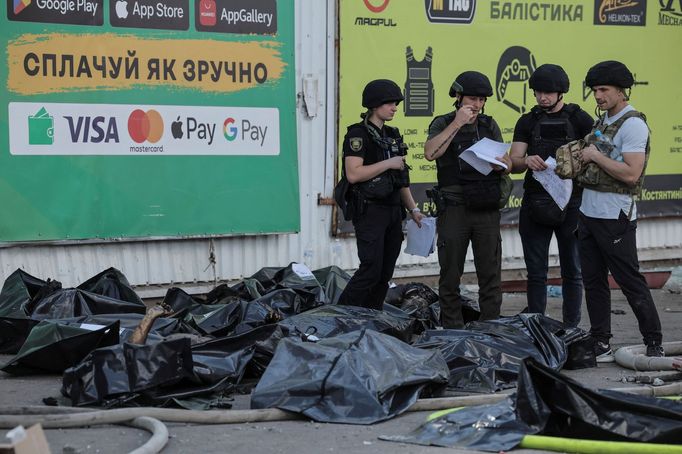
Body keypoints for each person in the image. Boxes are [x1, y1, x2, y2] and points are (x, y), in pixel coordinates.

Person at [579, 60, 663, 362]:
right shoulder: (601, 122)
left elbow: (631, 173)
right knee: (593, 282)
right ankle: (600, 341)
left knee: (629, 281)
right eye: (594, 90)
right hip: (588, 213)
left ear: (621, 91)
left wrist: (593, 156)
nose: (598, 95)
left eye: (604, 90)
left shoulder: (633, 124)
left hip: (615, 216)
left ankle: (654, 341)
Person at [424, 71, 512, 328]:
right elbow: (431, 153)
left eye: (482, 100)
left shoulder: (488, 125)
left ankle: (490, 329)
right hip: (454, 208)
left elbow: (506, 162)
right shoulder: (443, 123)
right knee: (450, 275)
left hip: (485, 206)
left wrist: (502, 166)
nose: (477, 104)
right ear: (458, 97)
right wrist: (457, 124)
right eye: (472, 98)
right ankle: (452, 332)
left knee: (490, 274)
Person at [509, 64, 594, 327]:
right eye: (538, 92)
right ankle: (537, 327)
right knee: (536, 273)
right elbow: (513, 161)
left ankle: (572, 328)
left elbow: (597, 157)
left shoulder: (580, 119)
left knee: (573, 272)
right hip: (536, 202)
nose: (542, 97)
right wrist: (527, 161)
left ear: (561, 93)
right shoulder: (527, 121)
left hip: (572, 204)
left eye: (548, 92)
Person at [337, 79, 424, 310]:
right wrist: (388, 163)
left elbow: (400, 180)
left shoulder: (392, 134)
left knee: (385, 273)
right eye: (389, 103)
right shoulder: (358, 135)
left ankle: (372, 317)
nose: (395, 107)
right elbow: (353, 174)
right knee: (370, 269)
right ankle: (341, 315)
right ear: (375, 105)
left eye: (396, 103)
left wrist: (413, 209)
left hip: (393, 211)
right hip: (370, 211)